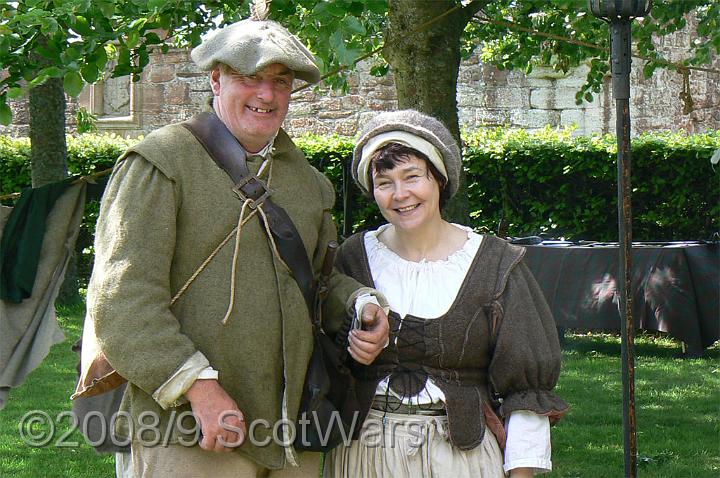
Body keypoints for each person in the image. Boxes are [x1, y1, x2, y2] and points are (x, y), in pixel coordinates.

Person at [84, 18, 389, 478]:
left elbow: (319, 282)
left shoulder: (307, 183)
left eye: (280, 82)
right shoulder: (161, 163)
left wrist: (360, 307)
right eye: (250, 78)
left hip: (293, 427)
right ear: (215, 79)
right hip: (189, 428)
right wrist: (196, 387)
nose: (266, 95)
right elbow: (122, 299)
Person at [324, 110, 569, 478]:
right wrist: (350, 345)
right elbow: (322, 351)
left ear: (439, 179)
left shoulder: (495, 265)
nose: (400, 194)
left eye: (412, 177)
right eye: (384, 182)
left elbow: (525, 391)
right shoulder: (352, 258)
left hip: (460, 457)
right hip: (366, 451)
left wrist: (521, 473)